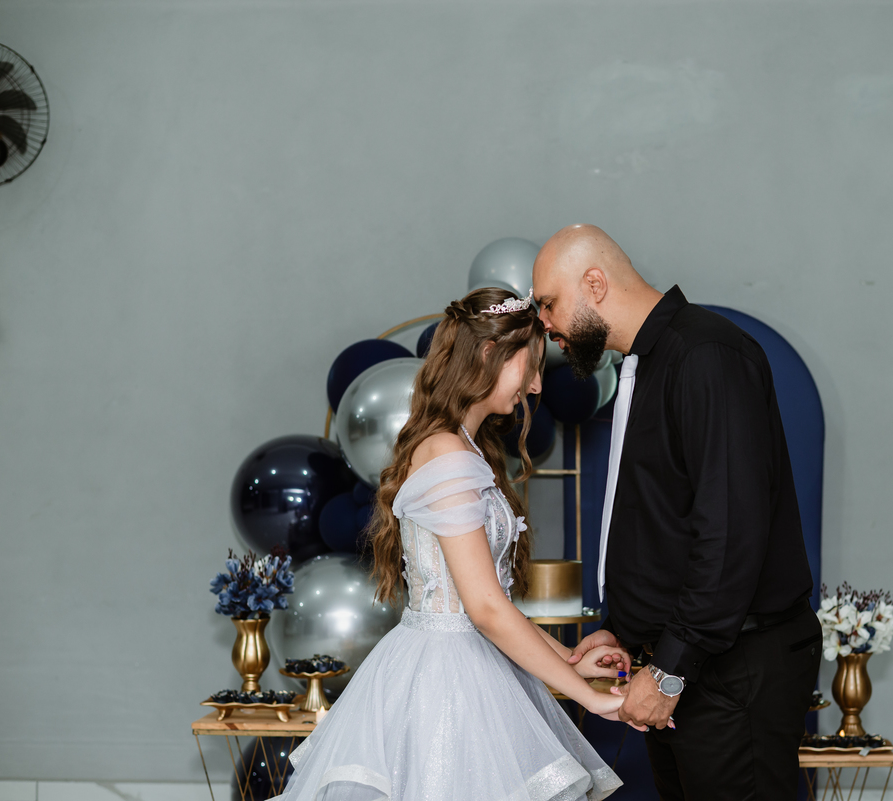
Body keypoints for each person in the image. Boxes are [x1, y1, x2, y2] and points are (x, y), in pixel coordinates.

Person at [270, 286, 642, 801]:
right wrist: (589, 697)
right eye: (530, 365)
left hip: (468, 662)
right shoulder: (448, 453)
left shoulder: (463, 446)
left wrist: (569, 660)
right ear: (489, 354)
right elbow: (485, 609)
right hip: (445, 681)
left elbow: (490, 603)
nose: (537, 385)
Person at [532, 225, 822, 800]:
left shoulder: (707, 355)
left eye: (549, 303)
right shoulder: (646, 363)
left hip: (732, 669)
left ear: (595, 284)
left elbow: (730, 534)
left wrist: (669, 670)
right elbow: (661, 523)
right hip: (681, 660)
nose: (544, 323)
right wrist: (627, 629)